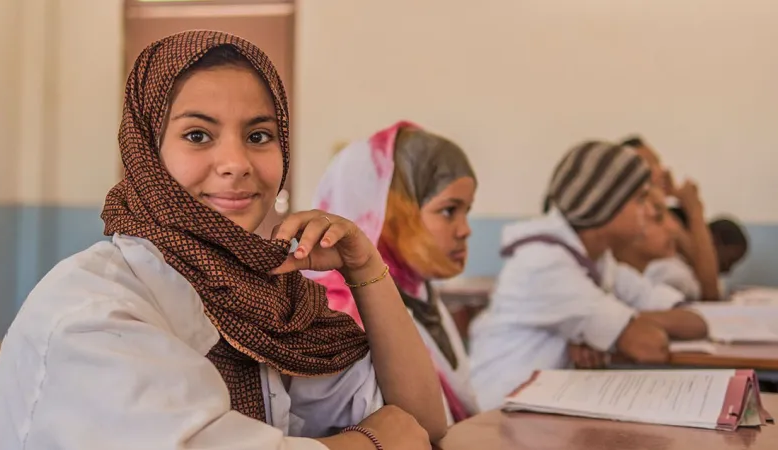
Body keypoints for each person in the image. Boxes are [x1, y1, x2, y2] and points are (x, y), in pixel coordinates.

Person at [0, 31, 447, 450]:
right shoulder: (93, 309)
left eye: (259, 135)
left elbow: (421, 426)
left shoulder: (270, 300)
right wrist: (371, 444)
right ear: (146, 151)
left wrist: (365, 266)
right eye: (198, 135)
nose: (236, 163)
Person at [469, 140, 708, 411]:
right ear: (607, 203)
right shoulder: (543, 263)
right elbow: (650, 346)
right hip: (497, 420)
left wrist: (602, 329)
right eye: (640, 199)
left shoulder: (599, 261)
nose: (650, 211)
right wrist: (615, 326)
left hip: (540, 413)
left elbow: (694, 321)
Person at [306, 122, 480, 425]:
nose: (465, 230)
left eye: (467, 211)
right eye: (449, 211)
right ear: (389, 213)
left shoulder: (418, 292)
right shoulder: (340, 312)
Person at [620, 135, 721, 300]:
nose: (663, 171)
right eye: (651, 165)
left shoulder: (664, 217)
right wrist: (695, 211)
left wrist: (691, 209)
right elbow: (710, 290)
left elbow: (700, 265)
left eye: (659, 162)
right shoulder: (631, 218)